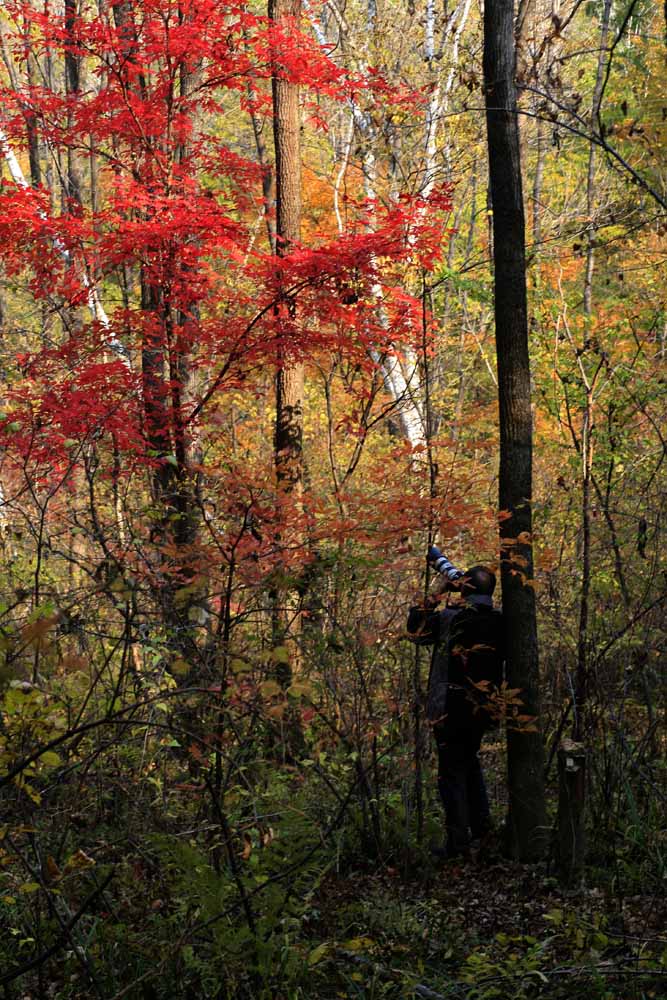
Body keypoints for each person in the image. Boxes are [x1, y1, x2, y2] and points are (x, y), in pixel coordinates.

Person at [407, 556, 504, 859]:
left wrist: (437, 591)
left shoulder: (450, 619)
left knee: (451, 771)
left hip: (449, 707)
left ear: (463, 588)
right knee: (469, 762)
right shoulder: (502, 620)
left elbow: (415, 631)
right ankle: (482, 830)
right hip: (483, 708)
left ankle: (458, 844)